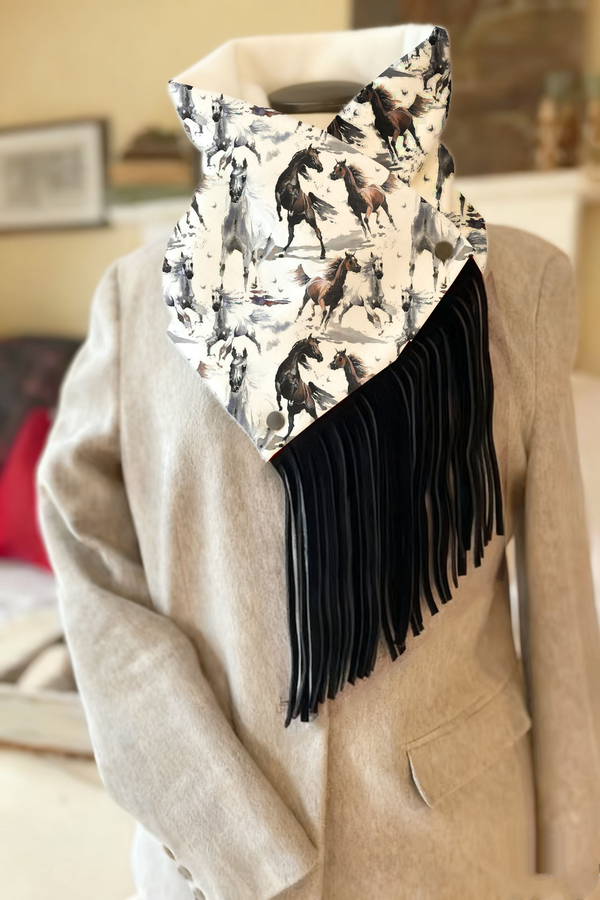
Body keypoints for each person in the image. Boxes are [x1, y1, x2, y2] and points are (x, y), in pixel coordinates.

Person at [37, 23, 600, 900]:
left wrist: (573, 863)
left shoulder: (517, 286)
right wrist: (220, 821)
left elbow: (561, 612)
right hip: (211, 865)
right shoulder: (142, 299)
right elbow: (92, 572)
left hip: (456, 851)